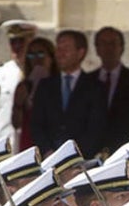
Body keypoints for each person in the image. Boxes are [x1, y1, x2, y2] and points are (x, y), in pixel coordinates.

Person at [31, 30, 105, 159]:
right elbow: (37, 124)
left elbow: (96, 128)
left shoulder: (95, 88)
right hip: (49, 160)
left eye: (66, 49)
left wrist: (74, 156)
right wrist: (48, 151)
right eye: (58, 48)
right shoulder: (45, 86)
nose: (60, 54)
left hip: (81, 161)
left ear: (80, 53)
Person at [91, 26, 129, 158]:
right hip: (91, 152)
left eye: (113, 43)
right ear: (96, 48)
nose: (108, 48)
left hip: (125, 149)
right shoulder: (86, 81)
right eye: (103, 44)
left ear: (122, 47)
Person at [0, 20, 38, 151]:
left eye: (21, 41)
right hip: (1, 146)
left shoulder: (42, 75)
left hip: (32, 148)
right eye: (13, 42)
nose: (17, 46)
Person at [12, 36, 57, 153]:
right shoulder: (24, 85)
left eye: (41, 54)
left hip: (53, 141)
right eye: (31, 55)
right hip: (29, 141)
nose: (36, 59)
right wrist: (19, 103)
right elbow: (16, 123)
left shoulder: (60, 84)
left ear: (51, 57)